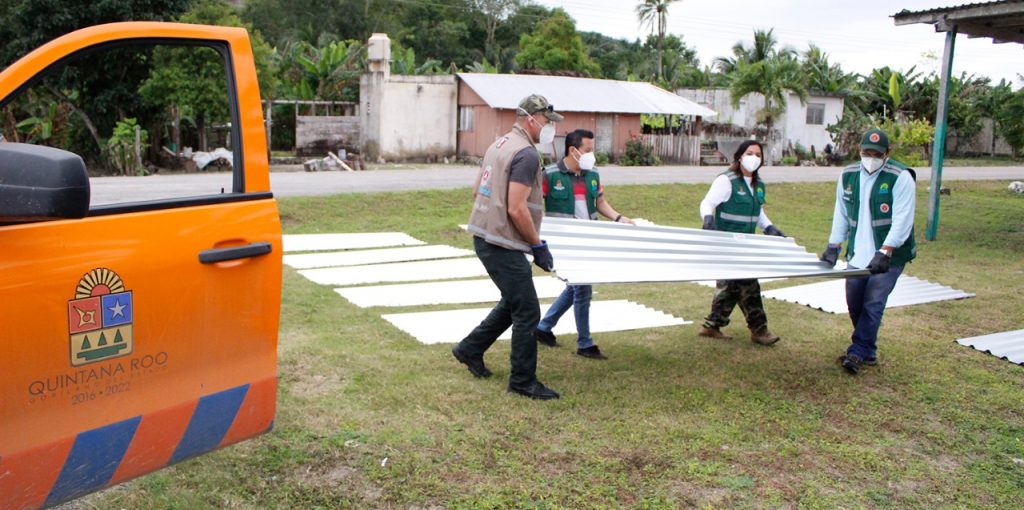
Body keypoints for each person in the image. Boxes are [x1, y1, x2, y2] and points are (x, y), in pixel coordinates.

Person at [453, 94, 563, 400]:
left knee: (514, 301)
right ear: (531, 119)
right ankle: (522, 381)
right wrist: (537, 245)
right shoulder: (526, 154)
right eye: (546, 122)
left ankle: (470, 348)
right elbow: (516, 207)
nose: (549, 128)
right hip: (501, 241)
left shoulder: (499, 144)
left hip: (485, 235)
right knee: (527, 310)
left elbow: (477, 190)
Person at [532, 129, 635, 360]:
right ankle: (585, 343)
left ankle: (543, 328)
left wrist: (619, 218)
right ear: (573, 150)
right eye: (588, 150)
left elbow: (600, 202)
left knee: (575, 287)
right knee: (583, 290)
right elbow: (536, 206)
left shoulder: (593, 174)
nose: (592, 154)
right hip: (565, 243)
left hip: (588, 240)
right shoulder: (550, 175)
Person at [820, 128, 916, 375]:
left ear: (887, 153)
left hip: (888, 256)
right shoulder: (849, 175)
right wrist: (834, 245)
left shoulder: (900, 177)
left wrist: (885, 251)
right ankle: (868, 350)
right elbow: (841, 212)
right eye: (867, 153)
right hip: (858, 254)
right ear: (859, 150)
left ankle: (857, 350)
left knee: (873, 303)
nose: (871, 158)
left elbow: (903, 219)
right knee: (854, 302)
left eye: (877, 154)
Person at [697, 140, 786, 346]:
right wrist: (708, 219)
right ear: (739, 156)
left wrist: (769, 227)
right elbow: (707, 203)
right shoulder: (726, 181)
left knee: (730, 286)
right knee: (749, 284)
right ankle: (760, 330)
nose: (754, 158)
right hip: (726, 244)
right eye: (749, 153)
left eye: (758, 154)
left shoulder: (758, 185)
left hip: (746, 244)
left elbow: (758, 211)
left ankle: (712, 325)